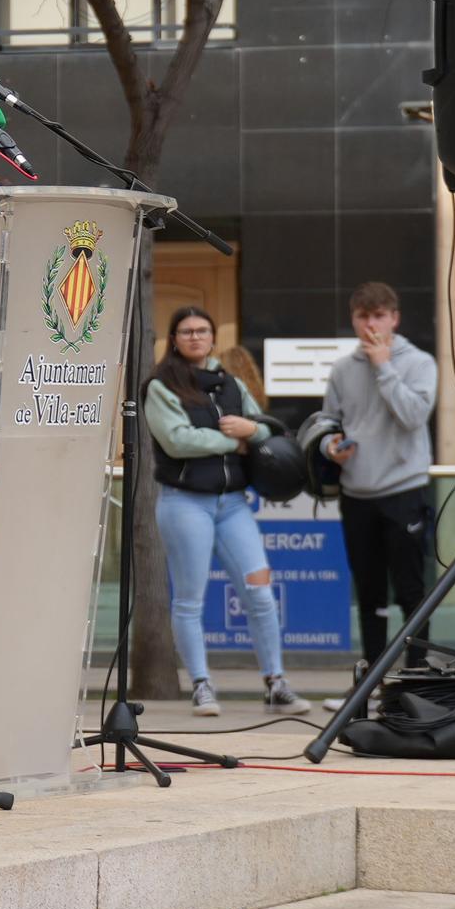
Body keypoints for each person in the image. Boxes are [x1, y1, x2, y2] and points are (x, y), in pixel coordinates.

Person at [147, 306, 311, 717]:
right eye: (186, 331)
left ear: (212, 337)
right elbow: (177, 441)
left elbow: (266, 426)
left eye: (202, 330)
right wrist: (234, 442)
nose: (195, 337)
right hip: (185, 503)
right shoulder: (161, 385)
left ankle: (276, 682)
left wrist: (251, 431)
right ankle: (202, 685)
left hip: (233, 505)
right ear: (174, 338)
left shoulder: (232, 383)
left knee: (260, 591)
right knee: (189, 601)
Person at [319, 282, 439, 697]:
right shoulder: (342, 369)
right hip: (357, 494)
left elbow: (414, 416)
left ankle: (418, 679)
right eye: (363, 317)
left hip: (404, 489)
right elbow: (328, 422)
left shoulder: (419, 362)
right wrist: (329, 446)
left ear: (395, 318)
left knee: (410, 589)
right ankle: (370, 681)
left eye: (379, 316)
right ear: (354, 320)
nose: (371, 325)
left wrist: (384, 366)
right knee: (368, 593)